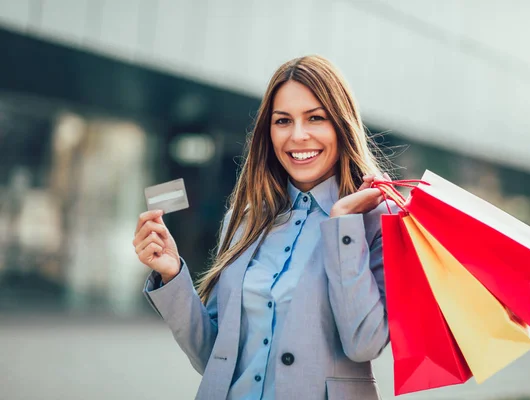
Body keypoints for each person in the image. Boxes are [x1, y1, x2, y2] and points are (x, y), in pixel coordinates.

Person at [133, 55, 397, 400]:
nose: (298, 136)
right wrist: (172, 275)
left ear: (341, 125)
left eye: (315, 118)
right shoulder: (246, 218)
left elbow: (365, 342)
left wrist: (343, 223)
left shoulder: (379, 219)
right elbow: (215, 356)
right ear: (268, 131)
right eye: (283, 121)